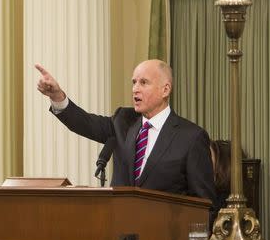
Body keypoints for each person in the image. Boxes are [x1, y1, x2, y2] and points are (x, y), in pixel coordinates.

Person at [36, 59, 218, 216]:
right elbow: (85, 123)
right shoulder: (123, 121)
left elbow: (204, 205)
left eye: (143, 83)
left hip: (165, 238)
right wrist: (57, 96)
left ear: (165, 90)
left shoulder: (191, 137)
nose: (135, 89)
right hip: (119, 234)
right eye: (134, 82)